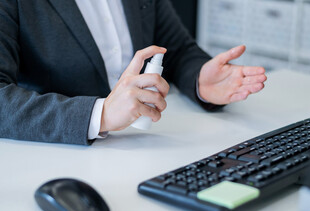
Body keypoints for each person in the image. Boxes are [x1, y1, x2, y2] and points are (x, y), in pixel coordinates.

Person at [0, 0, 267, 145]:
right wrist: (100, 114)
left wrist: (199, 79)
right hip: (56, 159)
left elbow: (176, 50)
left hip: (142, 149)